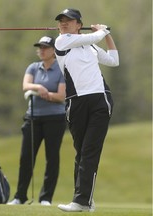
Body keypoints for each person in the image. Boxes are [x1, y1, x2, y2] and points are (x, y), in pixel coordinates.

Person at [54, 8, 119, 212]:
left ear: (79, 24)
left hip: (100, 99)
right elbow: (94, 36)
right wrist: (102, 31)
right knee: (81, 153)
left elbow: (113, 61)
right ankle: (84, 200)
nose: (64, 23)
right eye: (61, 21)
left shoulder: (89, 45)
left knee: (89, 152)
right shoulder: (61, 42)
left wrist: (107, 36)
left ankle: (81, 201)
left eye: (69, 20)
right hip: (76, 103)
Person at [7, 36, 66, 206]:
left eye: (45, 47)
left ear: (54, 51)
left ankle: (46, 198)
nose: (42, 50)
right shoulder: (33, 67)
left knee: (52, 158)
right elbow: (26, 86)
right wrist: (39, 88)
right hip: (33, 118)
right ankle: (20, 196)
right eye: (40, 47)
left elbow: (61, 96)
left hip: (55, 119)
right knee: (26, 158)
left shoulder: (61, 69)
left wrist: (48, 95)